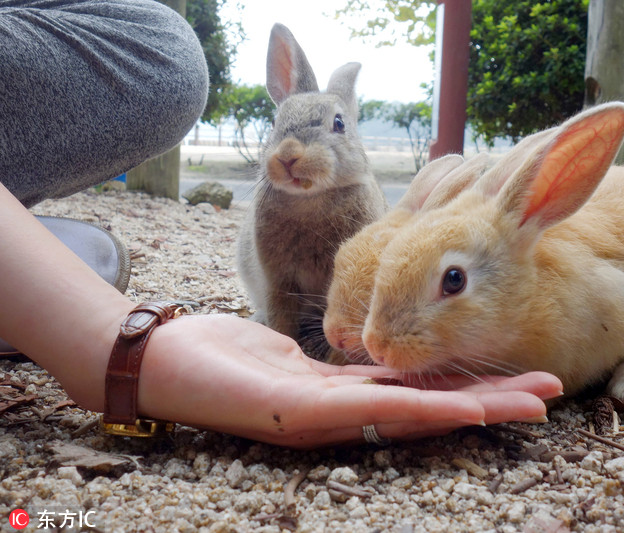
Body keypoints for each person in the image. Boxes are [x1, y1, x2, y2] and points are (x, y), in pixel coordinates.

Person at [0, 0, 562, 448]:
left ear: (349, 128)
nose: (291, 153)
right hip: (281, 305)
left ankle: (22, 248)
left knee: (165, 48)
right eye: (282, 133)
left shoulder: (362, 202)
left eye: (330, 127)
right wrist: (281, 334)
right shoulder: (271, 201)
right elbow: (277, 282)